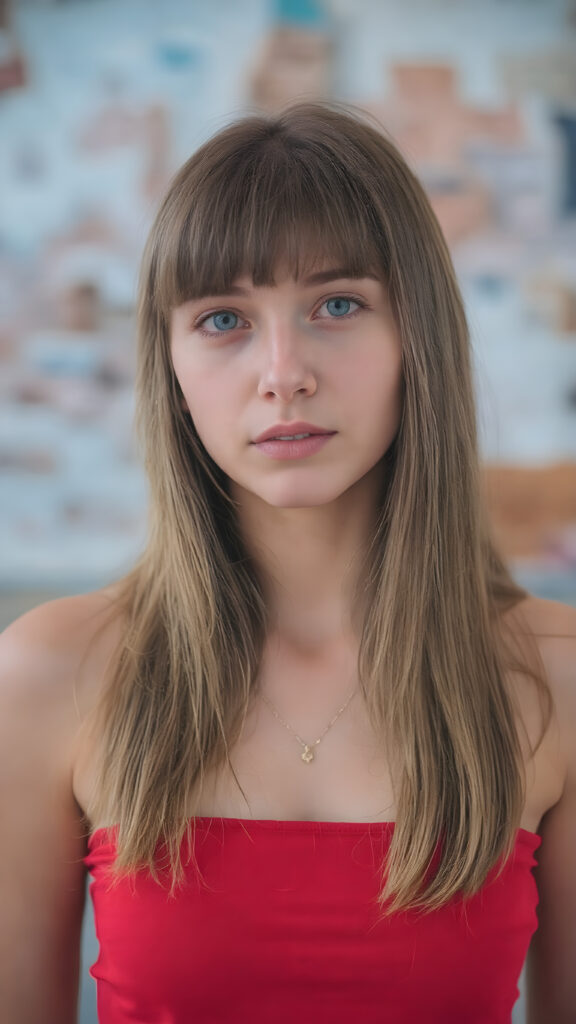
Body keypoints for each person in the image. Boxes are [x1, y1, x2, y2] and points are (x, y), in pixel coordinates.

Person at [1, 102, 574, 1024]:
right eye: (224, 318)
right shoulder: (48, 673)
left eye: (337, 305)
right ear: (174, 372)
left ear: (415, 338)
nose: (283, 372)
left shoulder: (558, 674)